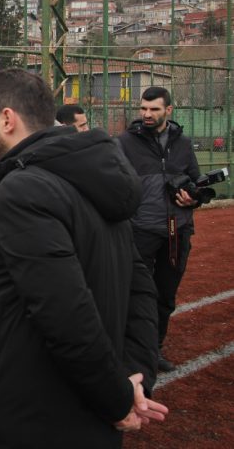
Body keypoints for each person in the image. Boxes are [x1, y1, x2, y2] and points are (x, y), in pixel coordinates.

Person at [0, 68, 168, 449]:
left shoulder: (24, 189)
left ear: (7, 120)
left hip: (30, 414)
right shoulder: (95, 177)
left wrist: (117, 398)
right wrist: (134, 374)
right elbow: (141, 287)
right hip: (86, 415)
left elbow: (64, 311)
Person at [117, 86, 201, 373]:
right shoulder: (125, 142)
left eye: (154, 109)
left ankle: (154, 349)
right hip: (140, 229)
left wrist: (194, 198)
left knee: (165, 294)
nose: (147, 114)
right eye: (143, 108)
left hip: (177, 230)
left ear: (169, 110)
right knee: (135, 292)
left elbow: (195, 181)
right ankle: (127, 351)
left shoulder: (183, 143)